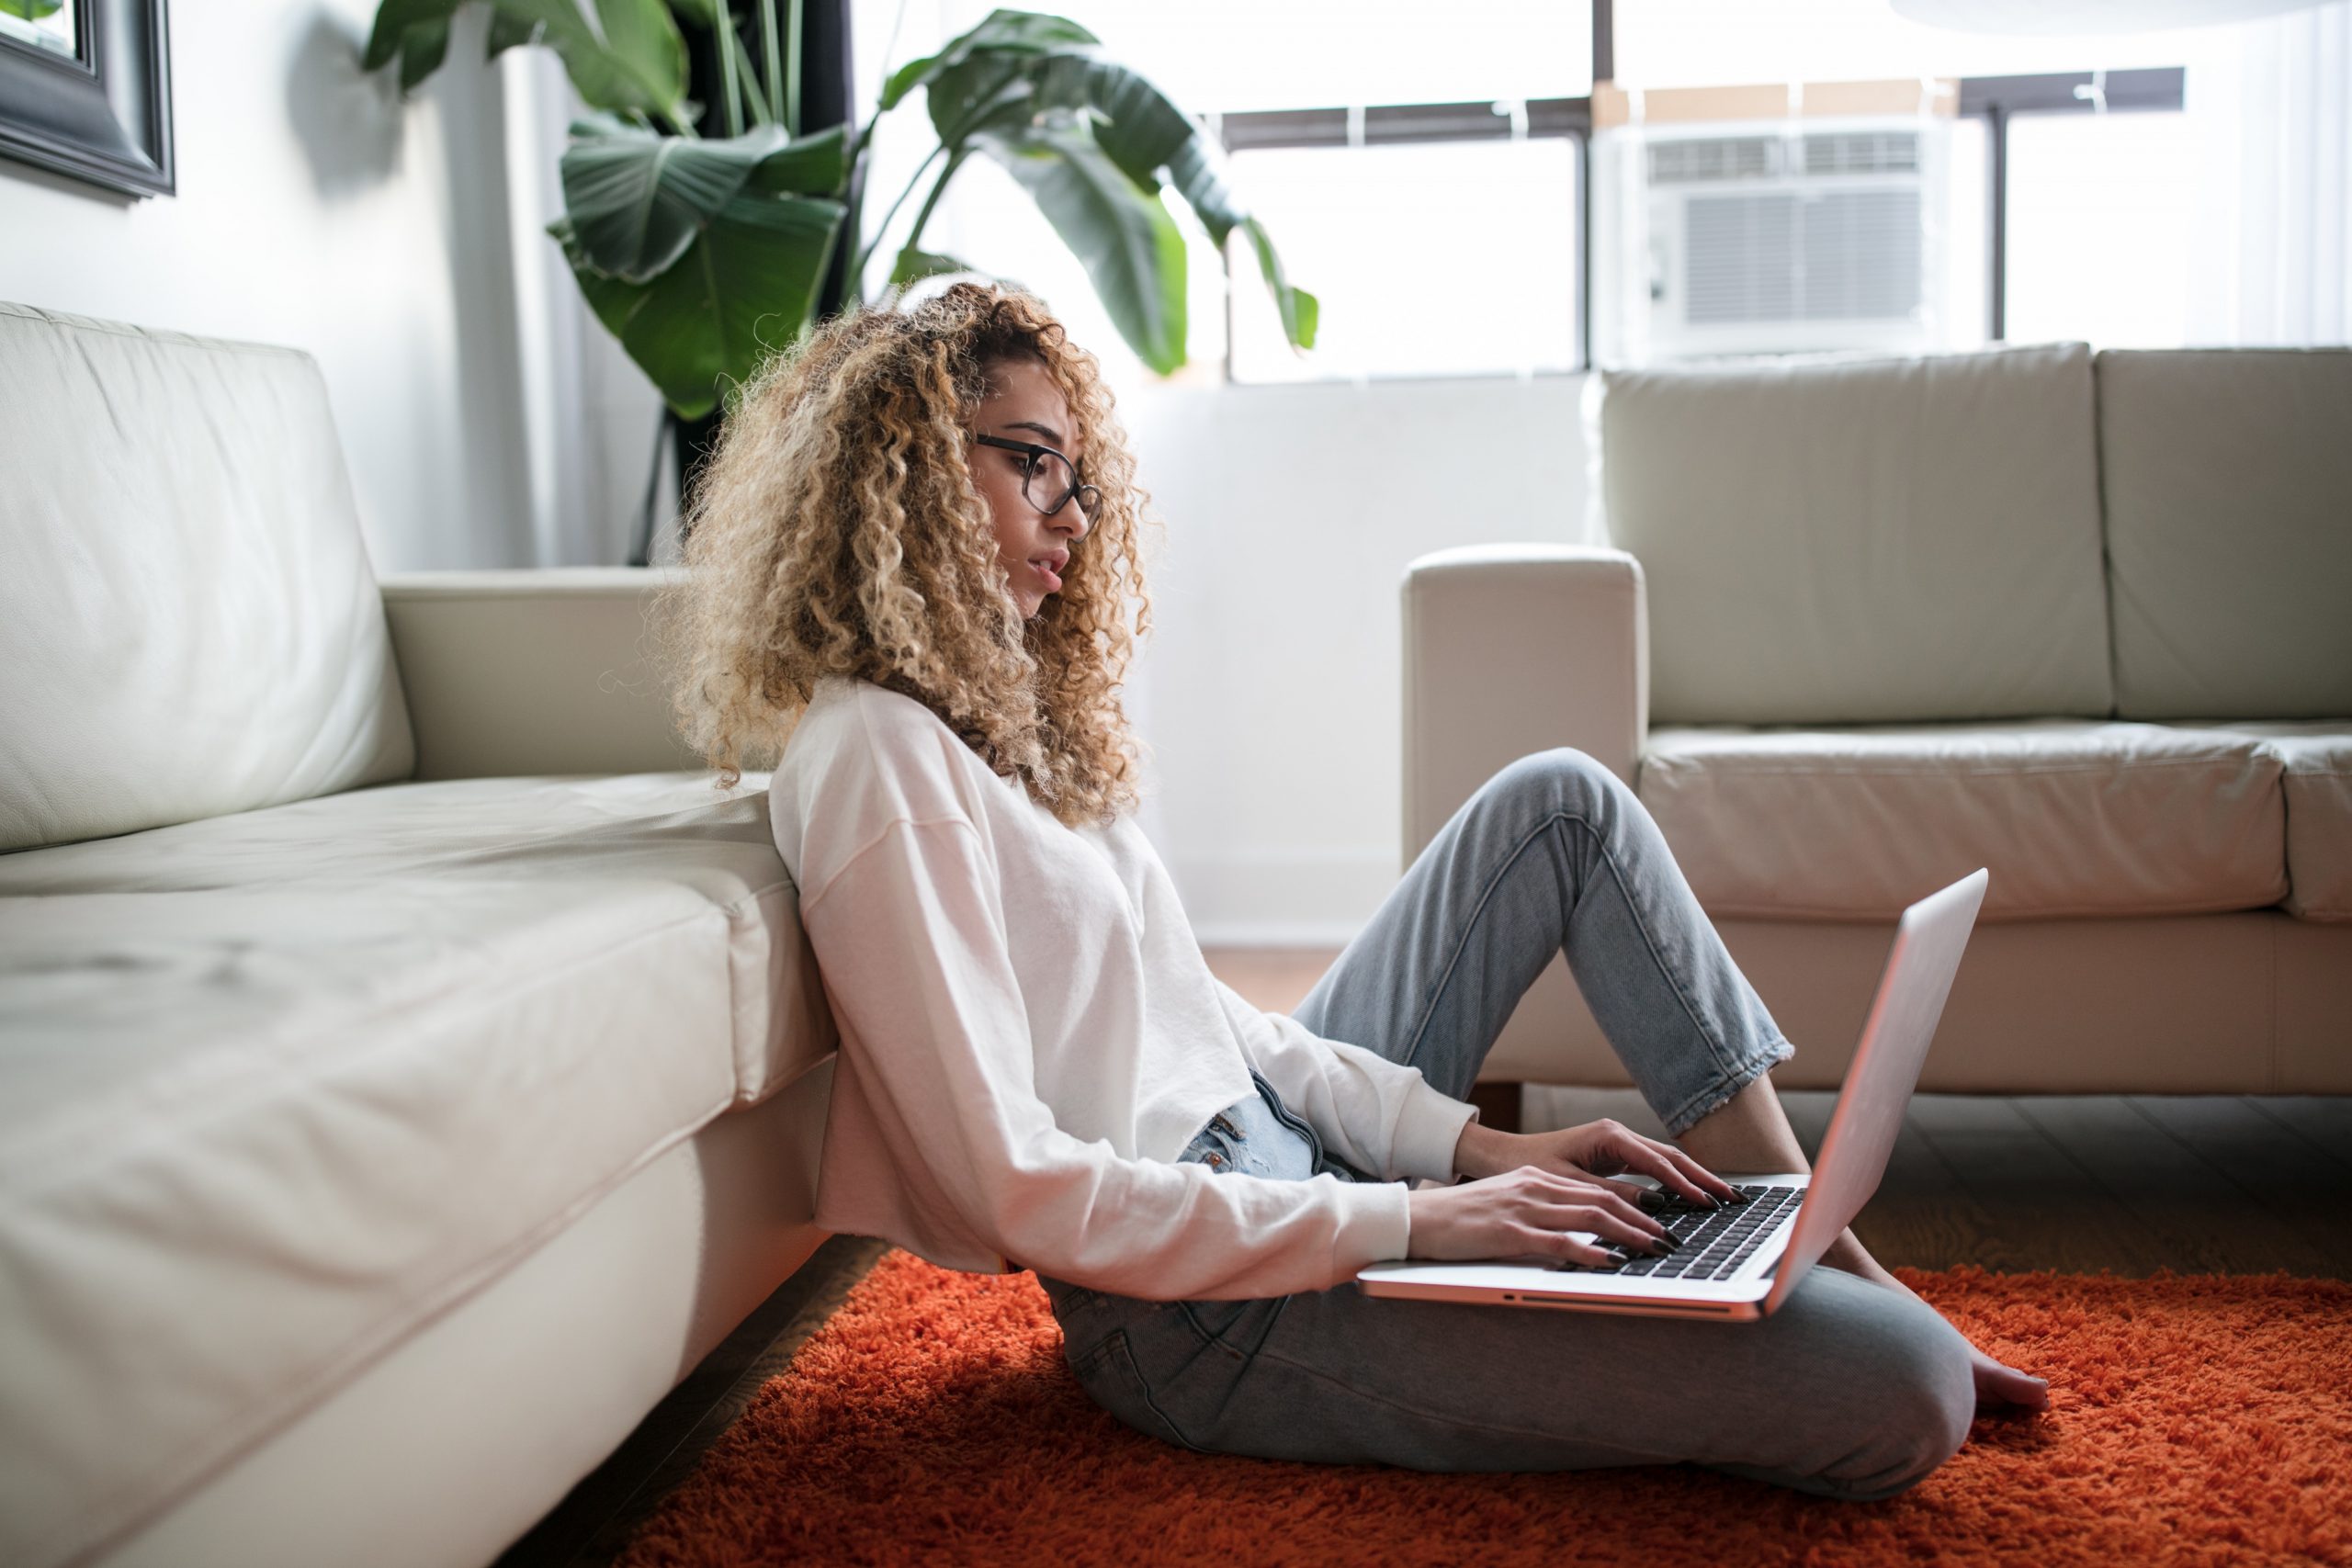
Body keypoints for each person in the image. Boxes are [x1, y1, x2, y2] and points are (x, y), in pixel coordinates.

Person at [658, 280, 2047, 1504]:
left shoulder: (999, 723)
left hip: (1279, 1160)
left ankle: (1801, 1235)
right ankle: (1817, 1296)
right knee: (1908, 1391)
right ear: (902, 470)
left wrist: (1469, 1154)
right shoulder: (874, 759)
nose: (1071, 515)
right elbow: (1015, 1187)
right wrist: (1414, 1220)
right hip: (1199, 1313)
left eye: (1077, 474)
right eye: (1032, 464)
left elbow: (1213, 1024)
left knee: (1559, 800)